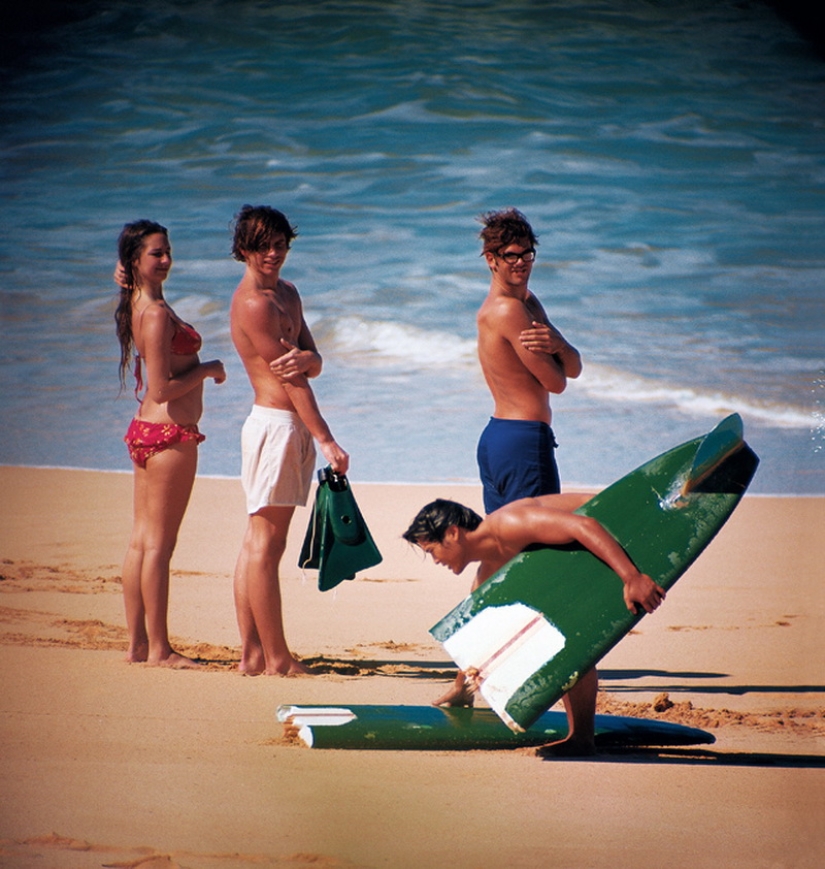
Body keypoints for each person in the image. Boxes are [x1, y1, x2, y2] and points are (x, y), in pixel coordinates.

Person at [403, 494, 666, 756]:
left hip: (623, 522)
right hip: (587, 544)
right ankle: (582, 739)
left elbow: (585, 526)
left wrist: (632, 577)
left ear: (452, 533)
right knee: (554, 629)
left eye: (431, 551)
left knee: (564, 632)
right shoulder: (486, 573)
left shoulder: (508, 524)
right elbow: (480, 631)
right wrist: (462, 688)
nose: (435, 560)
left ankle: (583, 739)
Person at [229, 205, 349, 676]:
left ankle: (253, 654)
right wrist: (327, 440)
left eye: (281, 244)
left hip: (288, 425)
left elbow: (313, 360)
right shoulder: (254, 303)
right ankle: (276, 658)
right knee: (266, 544)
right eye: (264, 246)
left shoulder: (288, 293)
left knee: (256, 541)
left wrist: (308, 360)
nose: (274, 254)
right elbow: (294, 380)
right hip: (275, 425)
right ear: (244, 250)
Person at [114, 219, 226, 668]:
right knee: (158, 545)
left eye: (167, 252)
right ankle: (159, 648)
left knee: (141, 542)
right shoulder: (156, 312)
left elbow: (152, 387)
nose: (165, 260)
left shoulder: (137, 301)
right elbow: (161, 388)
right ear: (136, 261)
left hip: (145, 431)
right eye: (155, 254)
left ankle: (138, 644)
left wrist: (122, 272)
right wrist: (209, 368)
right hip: (168, 434)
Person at [476, 208, 582, 514]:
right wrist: (560, 350)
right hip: (522, 442)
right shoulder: (508, 311)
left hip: (501, 438)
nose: (521, 262)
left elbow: (574, 367)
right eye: (510, 255)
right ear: (491, 259)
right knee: (537, 546)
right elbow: (557, 382)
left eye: (527, 254)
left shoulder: (528, 302)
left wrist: (559, 345)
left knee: (508, 548)